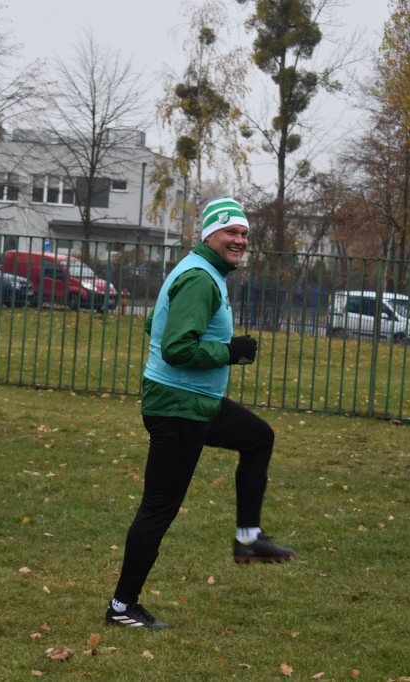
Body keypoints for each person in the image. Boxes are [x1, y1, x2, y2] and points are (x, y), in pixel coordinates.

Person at [105, 196, 295, 630]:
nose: (240, 240)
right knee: (159, 508)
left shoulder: (204, 272)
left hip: (193, 402)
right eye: (231, 232)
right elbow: (175, 347)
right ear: (208, 234)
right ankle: (122, 606)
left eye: (245, 234)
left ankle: (248, 538)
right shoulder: (200, 279)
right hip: (178, 406)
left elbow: (156, 326)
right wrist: (229, 352)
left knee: (257, 437)